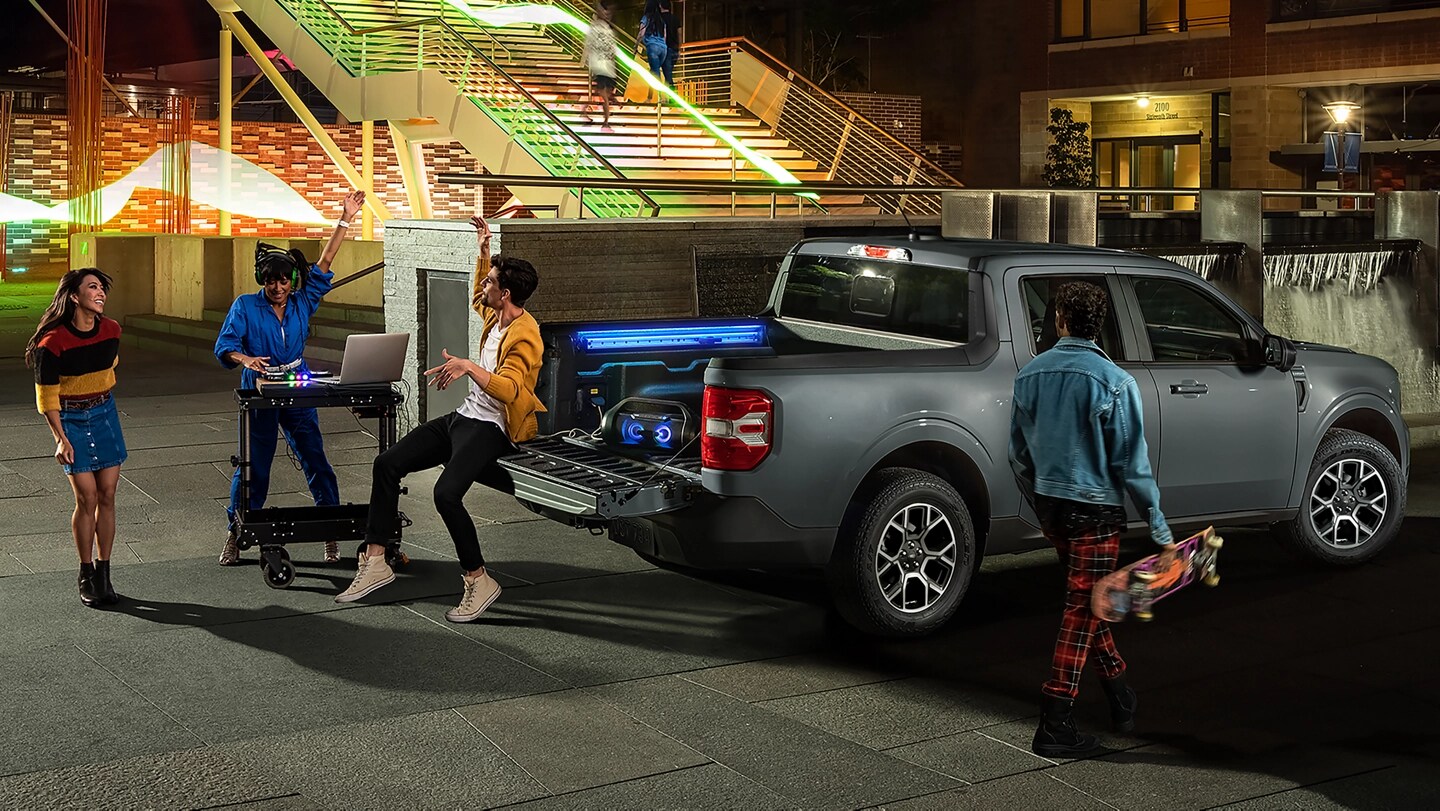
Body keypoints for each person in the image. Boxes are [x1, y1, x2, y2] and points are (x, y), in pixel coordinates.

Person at [335, 212, 545, 623]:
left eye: (490, 282)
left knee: (446, 494)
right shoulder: (497, 315)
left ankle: (478, 579)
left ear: (506, 295)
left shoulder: (526, 334)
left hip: (494, 428)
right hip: (465, 418)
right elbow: (477, 296)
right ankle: (376, 561)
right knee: (387, 463)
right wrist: (484, 251)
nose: (483, 286)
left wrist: (469, 367)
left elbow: (513, 391)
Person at [1008, 280, 1175, 758]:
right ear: (1098, 324)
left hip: (1053, 506)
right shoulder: (1116, 382)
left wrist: (1039, 500)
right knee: (1082, 610)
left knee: (1090, 602)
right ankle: (1055, 722)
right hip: (1096, 512)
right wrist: (1160, 531)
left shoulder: (1030, 376)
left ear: (1059, 318)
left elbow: (1018, 455)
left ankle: (1121, 693)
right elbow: (1132, 465)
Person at [215, 190, 366, 566]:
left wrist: (345, 218)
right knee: (253, 467)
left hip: (298, 384)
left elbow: (327, 259)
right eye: (271, 281)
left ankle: (330, 533)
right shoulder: (245, 306)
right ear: (262, 281)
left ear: (292, 280)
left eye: (284, 280)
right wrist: (245, 358)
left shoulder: (302, 300)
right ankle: (237, 534)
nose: (278, 287)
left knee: (316, 459)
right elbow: (226, 345)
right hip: (261, 389)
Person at [29, 268, 127, 608]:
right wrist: (60, 437)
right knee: (87, 498)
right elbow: (47, 398)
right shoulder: (52, 342)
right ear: (74, 296)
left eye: (102, 287)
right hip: (69, 417)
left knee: (108, 494)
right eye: (92, 287)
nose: (100, 293)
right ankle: (85, 572)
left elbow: (109, 365)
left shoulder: (112, 329)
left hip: (105, 414)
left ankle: (104, 572)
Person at [581, 1, 618, 130]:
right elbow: (589, 44)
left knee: (603, 94)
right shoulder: (596, 27)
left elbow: (612, 48)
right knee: (603, 95)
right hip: (601, 66)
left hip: (608, 67)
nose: (608, 15)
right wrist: (586, 61)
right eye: (606, 12)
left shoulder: (607, 28)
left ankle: (584, 111)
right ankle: (605, 123)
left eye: (610, 13)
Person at [638, 0, 668, 102]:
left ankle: (661, 97)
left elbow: (641, 33)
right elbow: (664, 37)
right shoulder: (661, 20)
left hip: (653, 48)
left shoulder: (646, 18)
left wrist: (636, 45)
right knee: (653, 72)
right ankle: (649, 97)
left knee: (655, 73)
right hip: (663, 49)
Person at [660, 0, 680, 88]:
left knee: (668, 76)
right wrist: (679, 47)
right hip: (675, 49)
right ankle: (667, 98)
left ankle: (672, 98)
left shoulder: (659, 19)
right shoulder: (675, 18)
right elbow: (679, 33)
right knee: (668, 73)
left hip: (665, 49)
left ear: (661, 6)